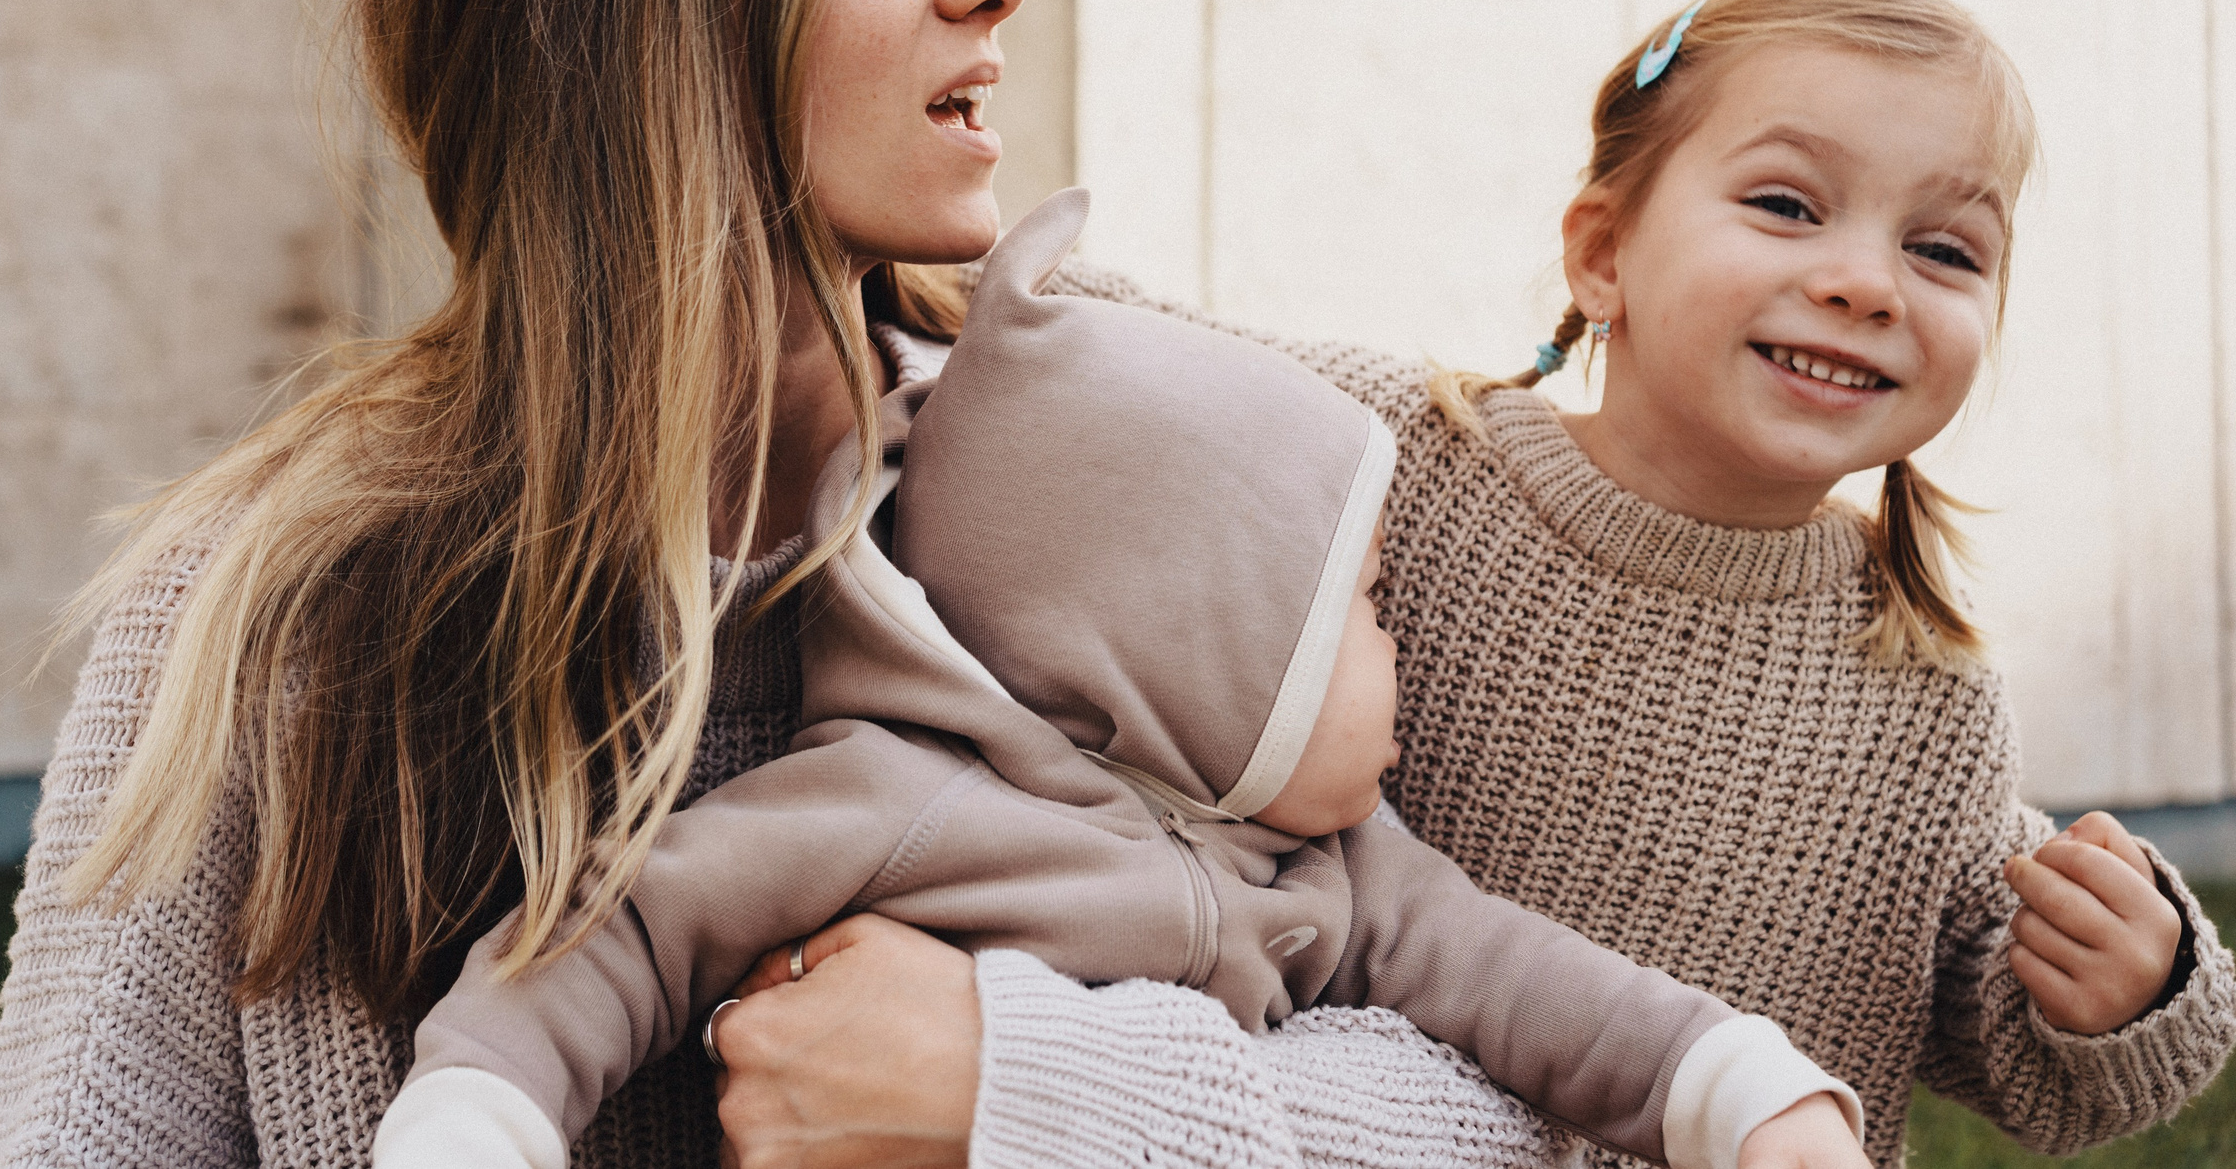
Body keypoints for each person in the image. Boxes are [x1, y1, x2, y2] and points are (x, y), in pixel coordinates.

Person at [0, 0, 1598, 1169]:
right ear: (643, 28)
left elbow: (1509, 1087)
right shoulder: (268, 610)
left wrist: (1032, 1092)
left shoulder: (1110, 452)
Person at [1015, 0, 2236, 1166]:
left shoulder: (1923, 695)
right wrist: (934, 254)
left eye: (1944, 251)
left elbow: (2015, 1049)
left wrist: (2130, 984)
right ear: (1603, 254)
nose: (1866, 285)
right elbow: (1109, 344)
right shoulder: (1390, 460)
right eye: (1787, 205)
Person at [374, 186, 1866, 1169]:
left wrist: (1743, 1093)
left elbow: (1544, 991)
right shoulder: (891, 801)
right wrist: (478, 1115)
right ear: (1203, 645)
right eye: (1361, 609)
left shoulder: (1342, 871)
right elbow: (616, 932)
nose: (1400, 650)